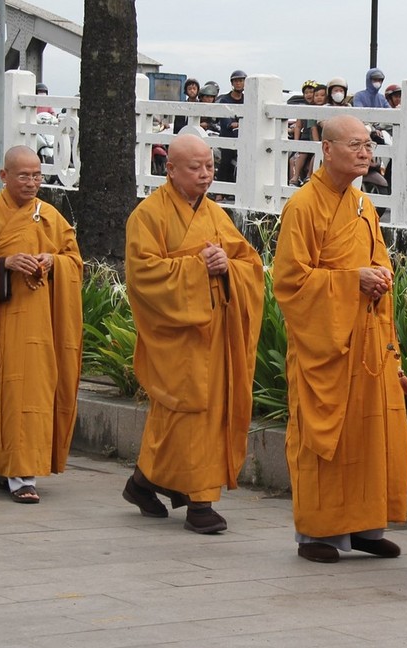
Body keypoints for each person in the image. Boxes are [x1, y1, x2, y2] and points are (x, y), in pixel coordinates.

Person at [272, 114, 407, 563]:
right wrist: (352, 280)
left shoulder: (362, 204)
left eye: (368, 145)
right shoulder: (303, 206)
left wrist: (380, 277)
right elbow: (290, 282)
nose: (365, 152)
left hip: (366, 340)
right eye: (355, 145)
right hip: (325, 343)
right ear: (327, 149)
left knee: (367, 435)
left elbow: (378, 258)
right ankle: (317, 533)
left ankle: (366, 528)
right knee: (324, 438)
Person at [122, 133, 264, 533]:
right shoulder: (147, 216)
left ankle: (142, 483)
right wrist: (197, 266)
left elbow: (249, 265)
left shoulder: (215, 214)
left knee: (195, 418)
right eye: (195, 167)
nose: (205, 174)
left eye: (210, 166)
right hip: (176, 335)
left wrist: (228, 266)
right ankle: (200, 504)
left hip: (214, 334)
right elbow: (143, 276)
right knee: (184, 414)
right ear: (170, 169)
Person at [0, 146, 83, 504]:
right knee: (9, 394)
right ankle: (19, 475)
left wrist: (53, 261)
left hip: (43, 325)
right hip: (2, 323)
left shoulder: (51, 216)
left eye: (37, 175)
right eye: (23, 175)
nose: (31, 182)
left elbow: (75, 261)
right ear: (4, 176)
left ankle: (0, 467)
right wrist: (3, 264)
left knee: (34, 394)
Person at [216, 70, 246, 184]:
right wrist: (233, 124)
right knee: (226, 162)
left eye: (241, 81)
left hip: (243, 138)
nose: (238, 83)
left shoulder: (247, 100)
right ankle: (220, 189)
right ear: (232, 83)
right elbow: (227, 123)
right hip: (228, 138)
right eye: (236, 81)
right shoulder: (225, 100)